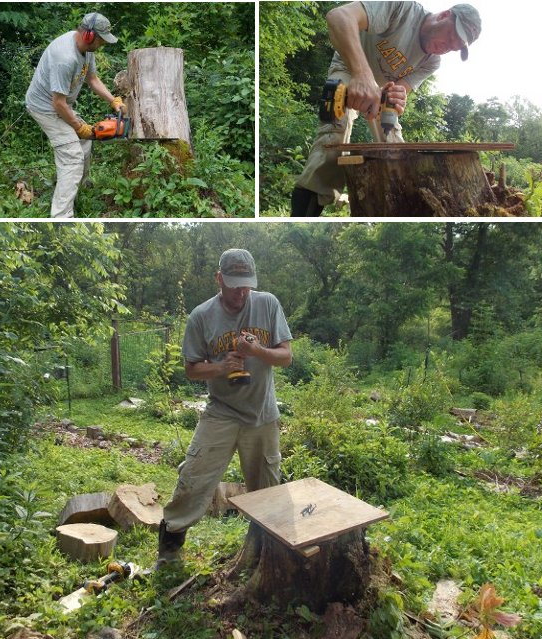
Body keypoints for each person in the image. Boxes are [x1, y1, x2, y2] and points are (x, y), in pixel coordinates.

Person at [157, 248, 293, 566]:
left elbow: (286, 357)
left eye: (246, 285)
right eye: (234, 285)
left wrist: (257, 350)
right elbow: (192, 369)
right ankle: (169, 551)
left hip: (262, 414)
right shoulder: (202, 316)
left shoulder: (268, 304)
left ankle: (266, 555)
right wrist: (220, 367)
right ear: (219, 279)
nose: (241, 292)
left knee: (267, 490)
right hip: (221, 411)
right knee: (193, 476)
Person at [291, 2, 482, 216]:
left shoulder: (432, 62)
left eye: (453, 48)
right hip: (349, 67)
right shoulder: (400, 8)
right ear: (444, 16)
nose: (447, 47)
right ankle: (306, 207)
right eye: (450, 38)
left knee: (396, 149)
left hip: (380, 88)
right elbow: (338, 17)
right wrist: (362, 74)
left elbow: (400, 89)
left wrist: (398, 98)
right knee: (333, 136)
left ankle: (404, 204)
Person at [25, 12, 126, 218]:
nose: (103, 45)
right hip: (45, 108)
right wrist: (78, 126)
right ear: (89, 36)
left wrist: (113, 100)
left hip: (61, 105)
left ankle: (77, 189)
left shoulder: (86, 51)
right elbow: (58, 103)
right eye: (101, 40)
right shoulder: (65, 58)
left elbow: (93, 79)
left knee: (85, 143)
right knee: (72, 157)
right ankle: (61, 216)